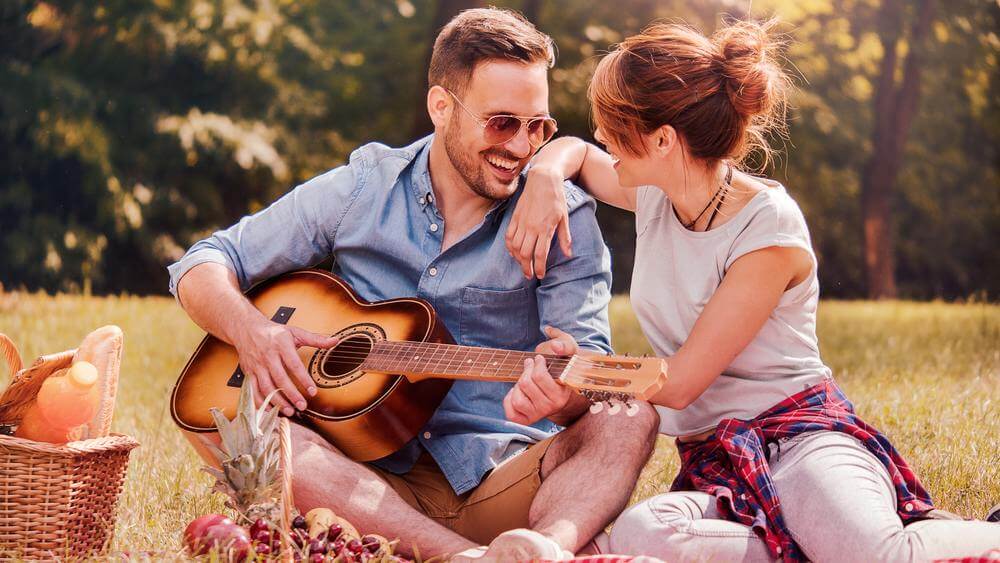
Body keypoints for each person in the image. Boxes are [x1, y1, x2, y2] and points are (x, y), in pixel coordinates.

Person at [167, 7, 658, 561]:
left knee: (629, 417)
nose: (521, 148)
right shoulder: (363, 188)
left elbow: (589, 373)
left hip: (500, 481)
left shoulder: (563, 218)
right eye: (502, 123)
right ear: (441, 107)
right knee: (252, 431)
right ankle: (463, 558)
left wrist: (565, 399)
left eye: (538, 127)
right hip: (353, 481)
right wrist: (253, 331)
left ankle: (540, 550)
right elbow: (204, 261)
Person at [510, 19, 1000, 562]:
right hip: (717, 462)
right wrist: (545, 175)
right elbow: (576, 153)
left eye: (612, 124)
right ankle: (806, 547)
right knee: (643, 535)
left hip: (800, 439)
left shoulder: (768, 228)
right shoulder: (654, 193)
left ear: (663, 140)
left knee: (879, 556)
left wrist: (585, 369)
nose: (602, 135)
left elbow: (680, 383)